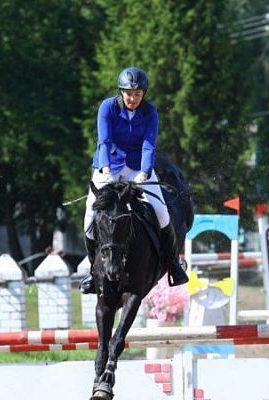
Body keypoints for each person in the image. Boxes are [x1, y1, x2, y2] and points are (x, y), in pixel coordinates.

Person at [79, 67, 189, 294]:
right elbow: (104, 141)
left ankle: (174, 265)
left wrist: (143, 173)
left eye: (138, 94)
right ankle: (92, 272)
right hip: (107, 165)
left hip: (138, 168)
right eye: (129, 93)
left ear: (143, 94)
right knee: (90, 216)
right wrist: (106, 169)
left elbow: (149, 145)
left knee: (161, 212)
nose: (133, 98)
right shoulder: (107, 107)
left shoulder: (150, 112)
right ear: (121, 92)